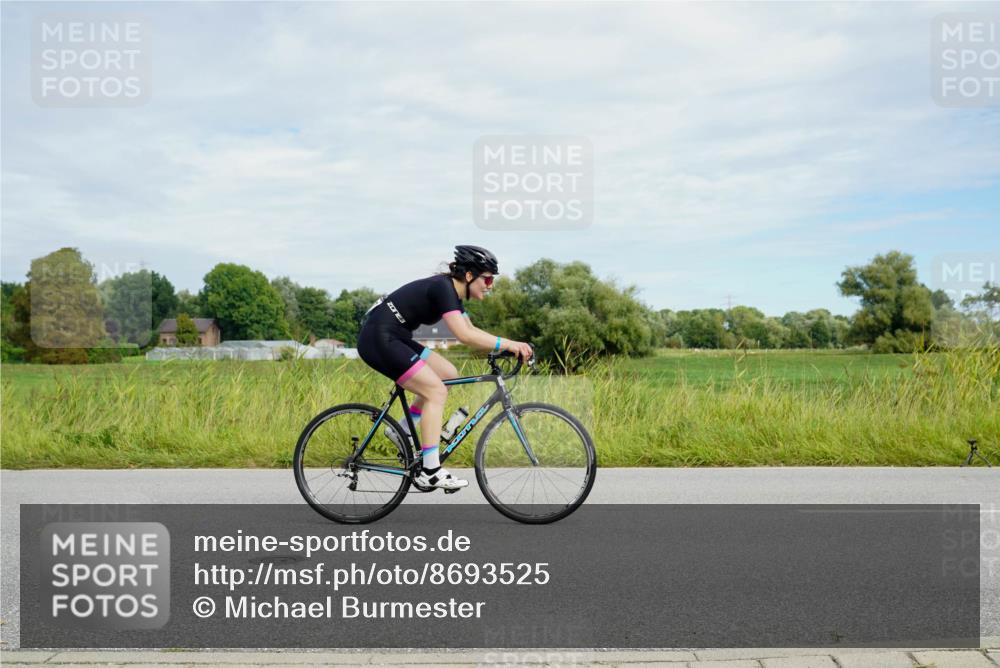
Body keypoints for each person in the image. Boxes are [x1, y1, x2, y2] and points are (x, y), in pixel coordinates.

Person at [357, 245, 533, 491]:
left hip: (394, 336)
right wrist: (511, 344)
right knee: (436, 391)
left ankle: (403, 431)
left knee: (448, 374)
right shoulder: (444, 288)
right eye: (488, 278)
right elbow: (463, 335)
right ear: (469, 275)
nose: (490, 285)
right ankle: (430, 470)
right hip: (379, 338)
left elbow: (470, 330)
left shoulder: (453, 294)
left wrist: (504, 346)